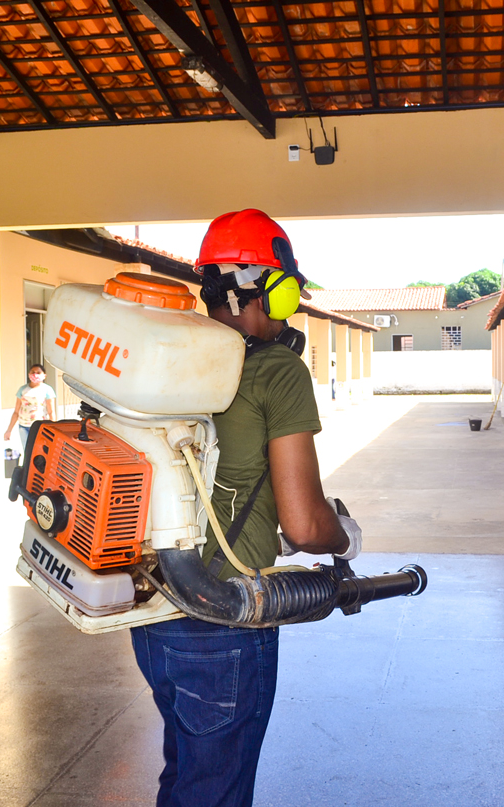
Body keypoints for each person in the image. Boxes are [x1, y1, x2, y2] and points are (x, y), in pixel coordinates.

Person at [130, 209, 362, 807]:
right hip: (223, 619)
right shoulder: (276, 370)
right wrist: (345, 539)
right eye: (288, 284)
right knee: (216, 793)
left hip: (154, 611)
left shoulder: (169, 361)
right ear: (270, 284)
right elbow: (306, 525)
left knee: (184, 777)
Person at [3, 363, 56, 451]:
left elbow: (51, 412)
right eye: (33, 372)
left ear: (44, 375)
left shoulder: (47, 390)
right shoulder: (22, 389)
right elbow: (16, 411)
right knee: (27, 451)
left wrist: (53, 429)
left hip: (39, 426)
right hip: (23, 426)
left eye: (38, 372)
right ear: (29, 374)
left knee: (39, 451)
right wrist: (9, 430)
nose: (35, 374)